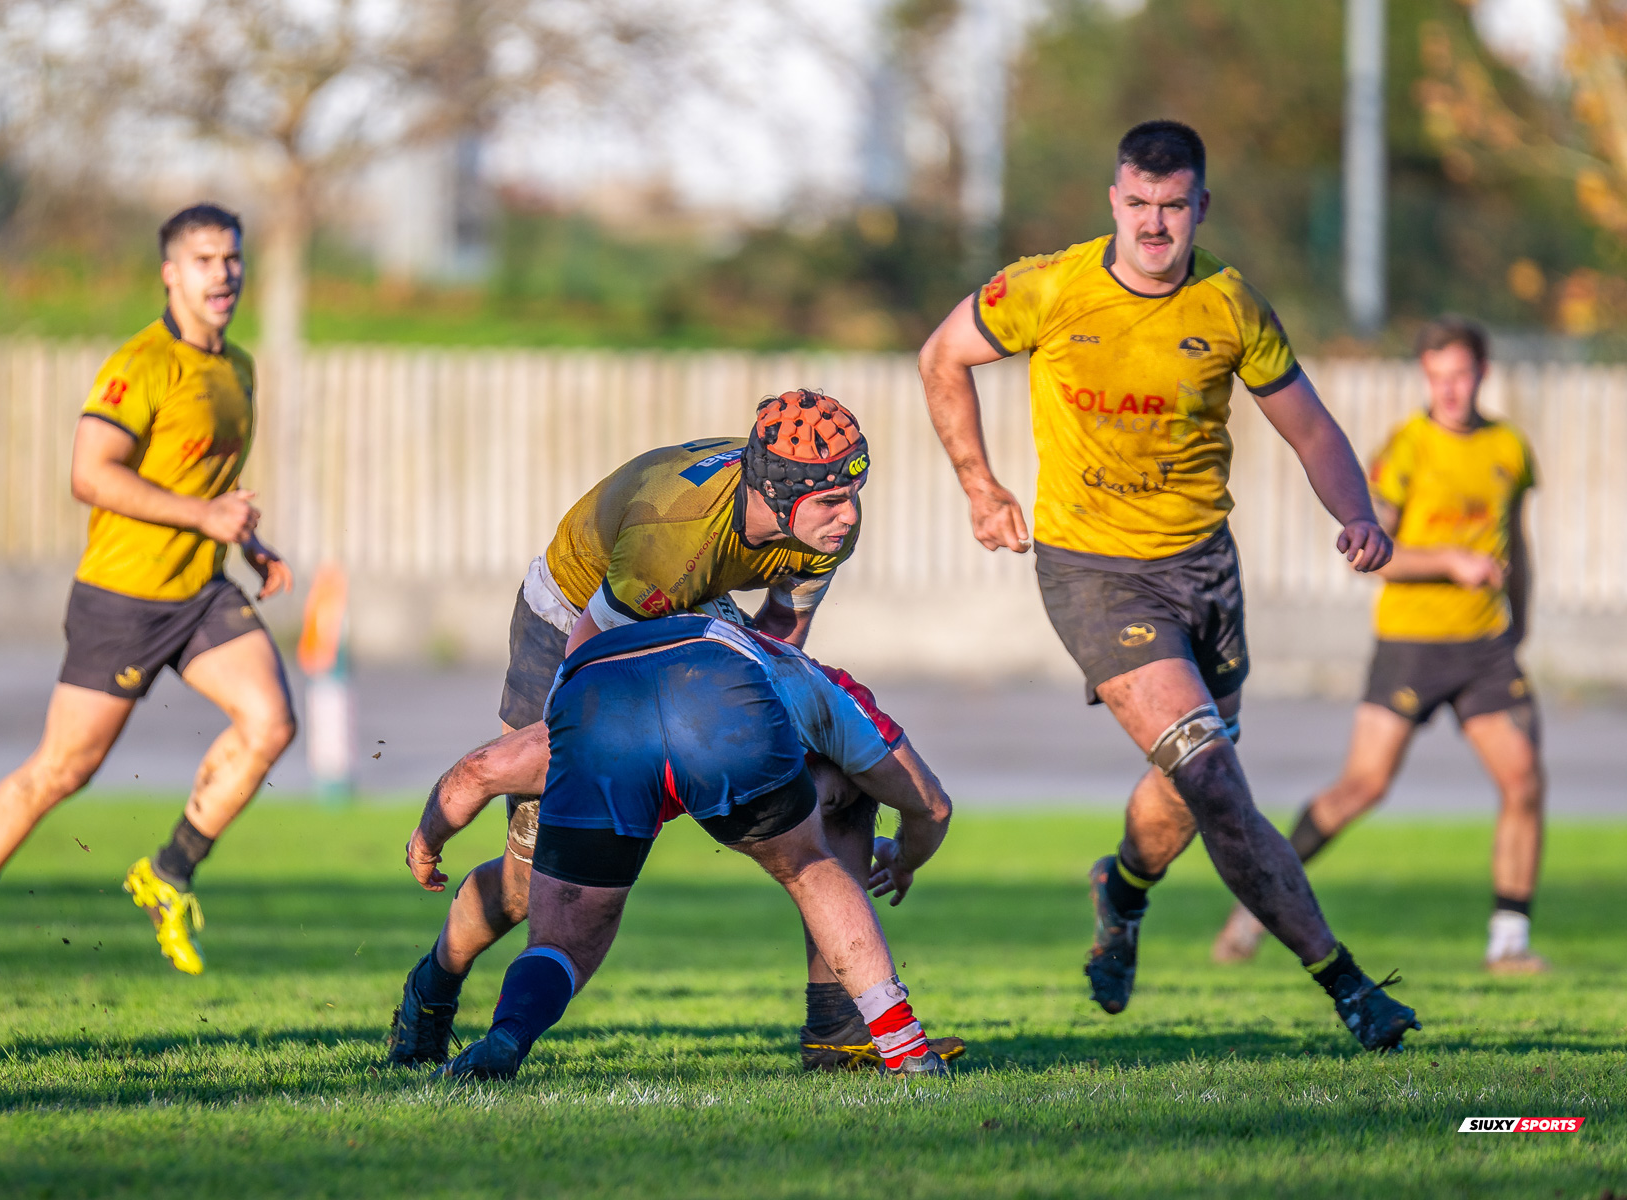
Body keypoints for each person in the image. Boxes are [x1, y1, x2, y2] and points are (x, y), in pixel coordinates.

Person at [915, 119, 1420, 1051]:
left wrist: (1355, 513)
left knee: (1187, 788)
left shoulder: (1230, 305)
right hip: (1095, 575)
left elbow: (1310, 427)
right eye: (1138, 205)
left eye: (1173, 207)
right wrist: (981, 486)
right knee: (1216, 778)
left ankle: (1123, 886)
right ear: (1114, 200)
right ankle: (1347, 985)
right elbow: (942, 357)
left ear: (1200, 207)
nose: (1154, 225)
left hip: (1205, 572)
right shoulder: (1050, 287)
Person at [0, 204, 295, 1008]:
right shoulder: (141, 364)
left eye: (231, 258)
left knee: (270, 723)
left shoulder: (241, 368)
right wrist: (204, 517)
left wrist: (245, 541)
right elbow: (91, 472)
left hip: (197, 592)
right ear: (169, 272)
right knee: (61, 771)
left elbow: (203, 484)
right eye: (203, 259)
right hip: (120, 602)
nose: (222, 273)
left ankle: (167, 874)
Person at [434, 389, 875, 1050]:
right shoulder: (674, 536)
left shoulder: (822, 522)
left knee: (842, 792)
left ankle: (836, 1025)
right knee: (528, 885)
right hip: (572, 627)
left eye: (854, 492)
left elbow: (780, 638)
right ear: (778, 496)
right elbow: (587, 669)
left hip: (687, 614)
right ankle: (434, 985)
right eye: (832, 500)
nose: (850, 515)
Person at [386, 621, 962, 1071]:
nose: (832, 806)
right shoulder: (828, 690)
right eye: (837, 798)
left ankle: (506, 1036)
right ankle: (907, 1050)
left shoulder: (594, 681)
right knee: (811, 867)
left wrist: (426, 841)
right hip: (718, 701)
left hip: (597, 708)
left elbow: (480, 769)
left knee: (564, 939)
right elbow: (930, 805)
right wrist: (903, 858)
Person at [1213, 316, 1545, 974]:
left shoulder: (1510, 446)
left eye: (1461, 375)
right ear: (1426, 379)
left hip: (1485, 650)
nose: (1450, 390)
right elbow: (1376, 556)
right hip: (1410, 645)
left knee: (1524, 783)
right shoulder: (1407, 450)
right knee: (1361, 788)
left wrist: (1521, 621)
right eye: (1437, 378)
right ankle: (1254, 908)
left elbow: (1519, 542)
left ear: (1482, 373)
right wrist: (1451, 560)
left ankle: (1509, 944)